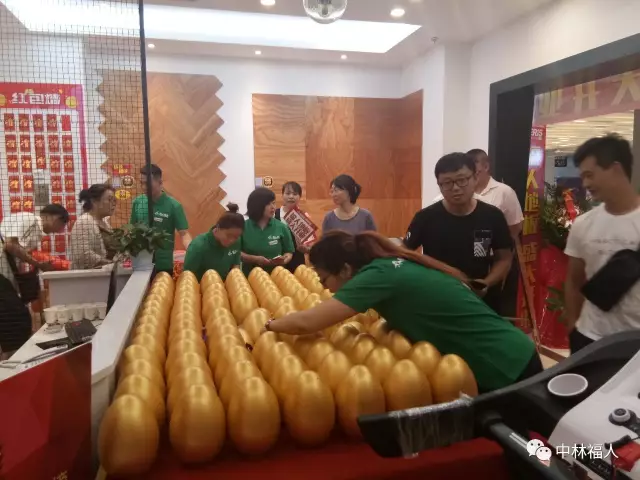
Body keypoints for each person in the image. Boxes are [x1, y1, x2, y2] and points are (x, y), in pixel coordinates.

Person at [264, 231, 541, 393]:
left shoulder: (375, 278)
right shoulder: (387, 265)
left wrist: (269, 325)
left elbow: (308, 322)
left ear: (346, 269)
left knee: (534, 454)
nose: (325, 287)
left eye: (324, 279)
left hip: (504, 364)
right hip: (510, 352)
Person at [404, 153, 513, 312]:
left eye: (462, 180)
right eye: (447, 183)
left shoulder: (492, 216)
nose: (455, 188)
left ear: (475, 178)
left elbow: (504, 259)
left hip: (479, 300)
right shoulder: (425, 218)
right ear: (439, 185)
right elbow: (404, 253)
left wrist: (487, 282)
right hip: (436, 299)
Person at [564, 135, 640, 354]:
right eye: (583, 177)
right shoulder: (582, 224)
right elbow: (573, 281)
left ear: (616, 169)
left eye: (590, 175)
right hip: (590, 338)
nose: (585, 184)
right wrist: (573, 328)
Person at [0, 204, 69, 357]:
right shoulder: (29, 219)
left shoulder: (36, 232)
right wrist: (38, 264)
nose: (59, 231)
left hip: (5, 276)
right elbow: (10, 245)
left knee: (17, 317)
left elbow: (18, 252)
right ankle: (13, 358)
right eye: (62, 225)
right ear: (55, 218)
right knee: (17, 316)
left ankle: (12, 356)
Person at [130, 164, 191, 276]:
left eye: (148, 184)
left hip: (163, 264)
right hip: (141, 264)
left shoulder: (174, 205)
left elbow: (184, 234)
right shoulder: (137, 202)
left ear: (160, 182)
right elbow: (132, 230)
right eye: (141, 183)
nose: (144, 187)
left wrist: (192, 250)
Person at [467, 149, 524, 239]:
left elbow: (516, 225)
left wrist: (500, 242)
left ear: (486, 167)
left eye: (475, 172)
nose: (471, 176)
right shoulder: (464, 193)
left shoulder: (505, 191)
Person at [240, 187, 295, 276]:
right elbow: (237, 253)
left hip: (277, 277)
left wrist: (284, 260)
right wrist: (255, 259)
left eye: (273, 203)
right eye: (268, 204)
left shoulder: (281, 227)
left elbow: (289, 252)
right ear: (257, 205)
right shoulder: (243, 226)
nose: (273, 207)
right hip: (250, 278)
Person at [183, 203, 244, 281]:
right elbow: (187, 277)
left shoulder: (237, 242)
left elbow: (235, 264)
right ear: (218, 228)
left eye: (236, 237)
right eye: (228, 235)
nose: (232, 240)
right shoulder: (198, 246)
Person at [69, 184, 116, 269]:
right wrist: (110, 264)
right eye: (109, 200)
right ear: (94, 201)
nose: (113, 204)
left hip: (107, 273)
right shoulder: (84, 221)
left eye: (114, 200)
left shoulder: (106, 223)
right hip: (90, 276)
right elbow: (82, 255)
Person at [275, 181, 310, 273]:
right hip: (278, 260)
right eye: (288, 193)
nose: (291, 196)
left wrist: (305, 247)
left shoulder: (304, 216)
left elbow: (308, 244)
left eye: (295, 194)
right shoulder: (274, 214)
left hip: (297, 261)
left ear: (300, 197)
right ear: (282, 195)